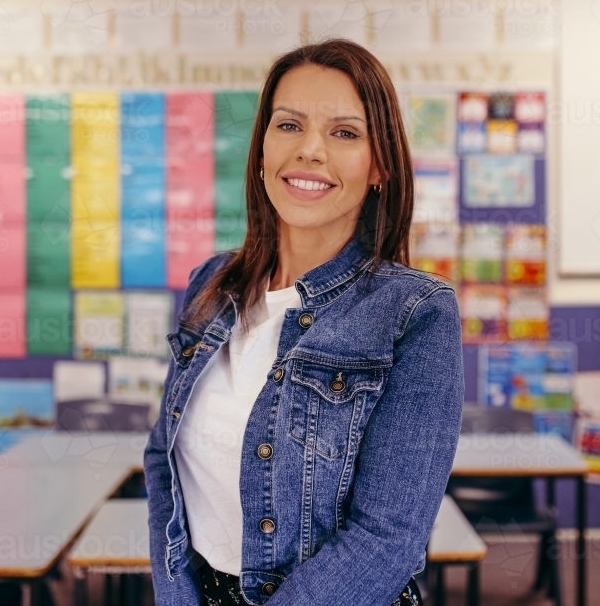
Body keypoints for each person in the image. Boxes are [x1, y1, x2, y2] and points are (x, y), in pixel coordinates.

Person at [144, 38, 464, 606]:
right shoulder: (211, 286)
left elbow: (387, 539)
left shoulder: (415, 313)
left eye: (345, 133)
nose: (310, 150)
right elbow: (162, 463)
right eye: (288, 125)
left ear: (379, 166)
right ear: (263, 149)